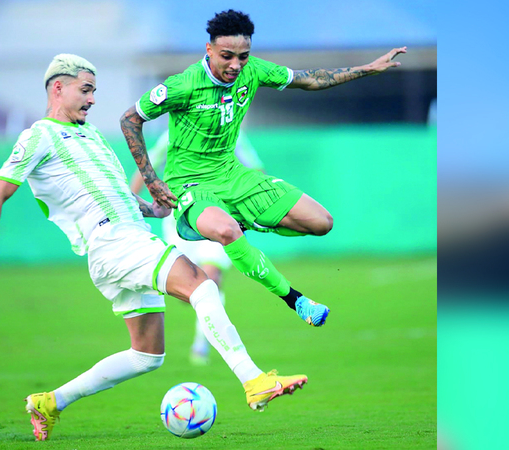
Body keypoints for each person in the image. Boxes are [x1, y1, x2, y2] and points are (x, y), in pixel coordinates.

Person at [0, 54, 309, 442]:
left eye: (94, 91)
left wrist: (153, 208)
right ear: (58, 87)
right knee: (202, 285)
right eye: (85, 90)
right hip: (114, 242)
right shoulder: (39, 136)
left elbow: (114, 195)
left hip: (120, 242)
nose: (92, 99)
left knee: (146, 356)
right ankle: (254, 380)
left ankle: (50, 401)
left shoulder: (91, 135)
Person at [120, 9, 406, 327]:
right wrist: (153, 181)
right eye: (227, 56)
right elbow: (130, 119)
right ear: (209, 49)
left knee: (321, 222)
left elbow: (308, 80)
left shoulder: (253, 70)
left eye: (243, 56)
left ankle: (244, 219)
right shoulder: (183, 85)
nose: (236, 65)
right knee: (227, 232)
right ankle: (295, 299)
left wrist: (367, 69)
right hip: (190, 184)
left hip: (233, 175)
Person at [129, 129, 264, 366]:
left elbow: (256, 171)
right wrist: (128, 205)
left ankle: (202, 344)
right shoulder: (173, 134)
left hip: (219, 216)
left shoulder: (232, 132)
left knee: (211, 277)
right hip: (180, 219)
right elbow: (146, 168)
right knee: (190, 286)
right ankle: (201, 313)